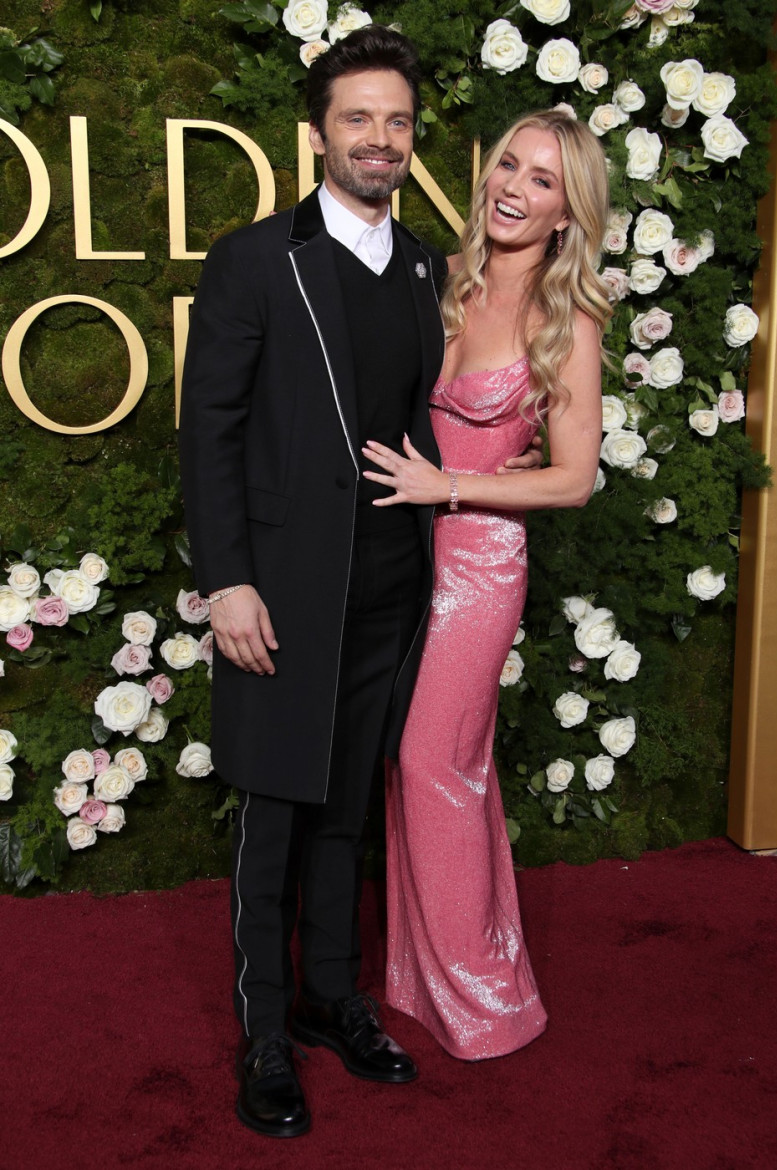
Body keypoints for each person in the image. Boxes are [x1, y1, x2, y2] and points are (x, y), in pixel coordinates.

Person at [178, 26, 540, 1137]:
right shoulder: (255, 259)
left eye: (397, 121)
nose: (379, 138)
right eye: (357, 119)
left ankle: (331, 997)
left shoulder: (430, 269)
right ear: (318, 133)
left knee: (345, 807)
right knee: (276, 806)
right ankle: (265, 1032)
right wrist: (228, 583)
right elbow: (209, 431)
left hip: (396, 583)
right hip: (282, 588)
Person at [362, 109, 611, 1060]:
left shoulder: (566, 319)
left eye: (543, 180)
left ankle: (484, 1002)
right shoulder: (438, 278)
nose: (514, 187)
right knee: (415, 763)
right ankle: (421, 977)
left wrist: (453, 486)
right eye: (509, 164)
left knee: (436, 761)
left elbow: (575, 479)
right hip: (399, 549)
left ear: (566, 212)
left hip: (477, 567)